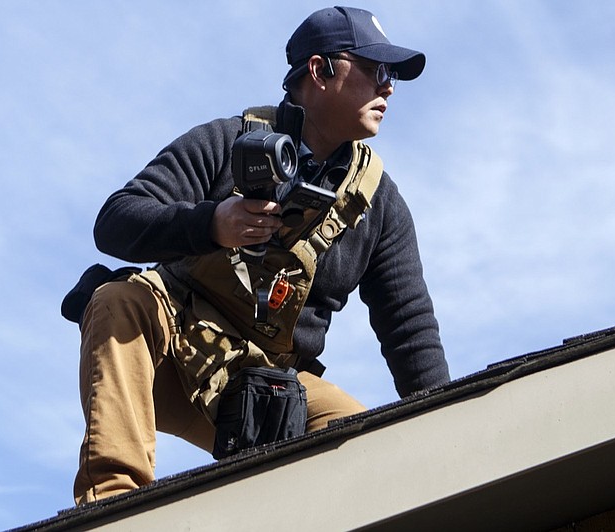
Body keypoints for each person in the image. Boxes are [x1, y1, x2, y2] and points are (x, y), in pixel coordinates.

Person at [72, 5, 450, 504]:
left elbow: (410, 330)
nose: (389, 87)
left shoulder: (379, 203)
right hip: (171, 356)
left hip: (268, 391)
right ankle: (112, 505)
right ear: (319, 71)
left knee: (369, 448)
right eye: (375, 69)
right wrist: (211, 223)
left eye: (392, 75)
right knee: (117, 299)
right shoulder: (227, 140)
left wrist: (449, 436)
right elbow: (116, 220)